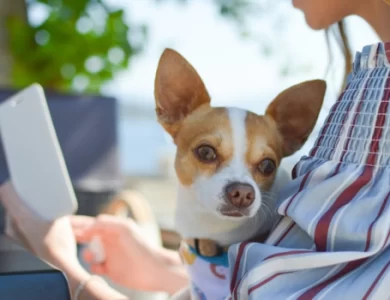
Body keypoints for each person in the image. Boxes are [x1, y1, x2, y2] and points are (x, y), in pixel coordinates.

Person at [1, 0, 390, 298]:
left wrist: (65, 270)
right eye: (208, 154)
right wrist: (168, 267)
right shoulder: (367, 88)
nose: (242, 187)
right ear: (172, 114)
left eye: (265, 166)